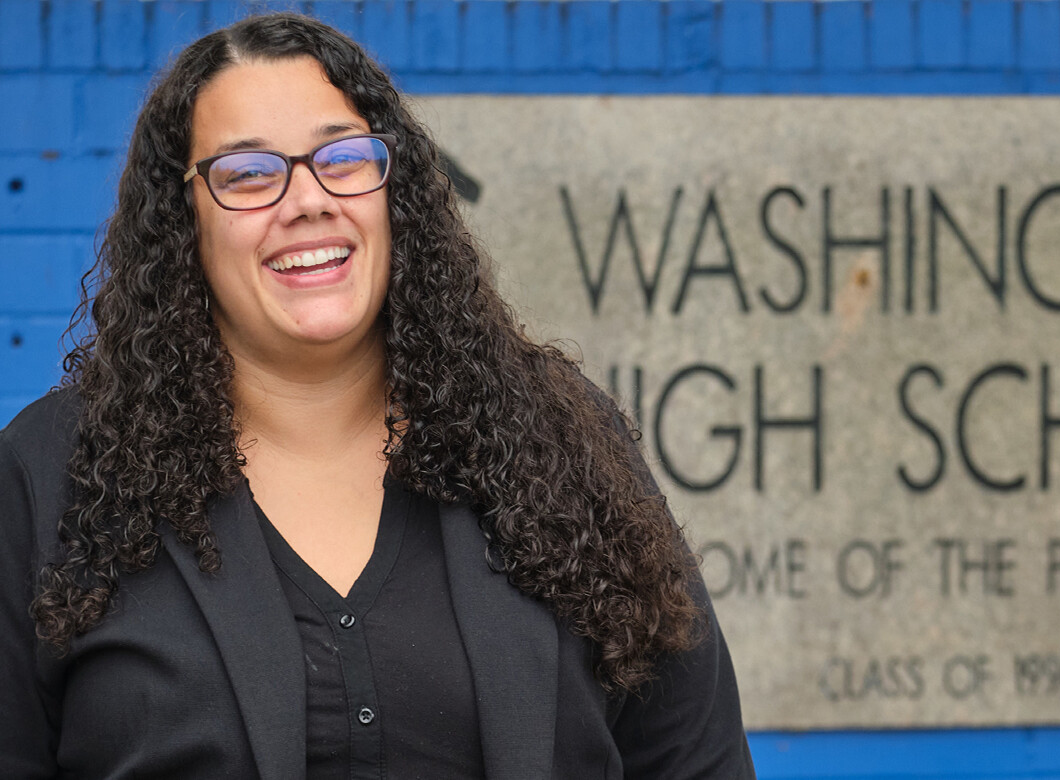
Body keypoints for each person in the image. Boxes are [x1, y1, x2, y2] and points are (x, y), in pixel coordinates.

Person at [0, 12, 754, 779]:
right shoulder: (54, 476)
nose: (308, 199)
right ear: (182, 219)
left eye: (345, 157)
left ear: (394, 193)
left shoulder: (559, 441)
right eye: (249, 173)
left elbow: (694, 759)